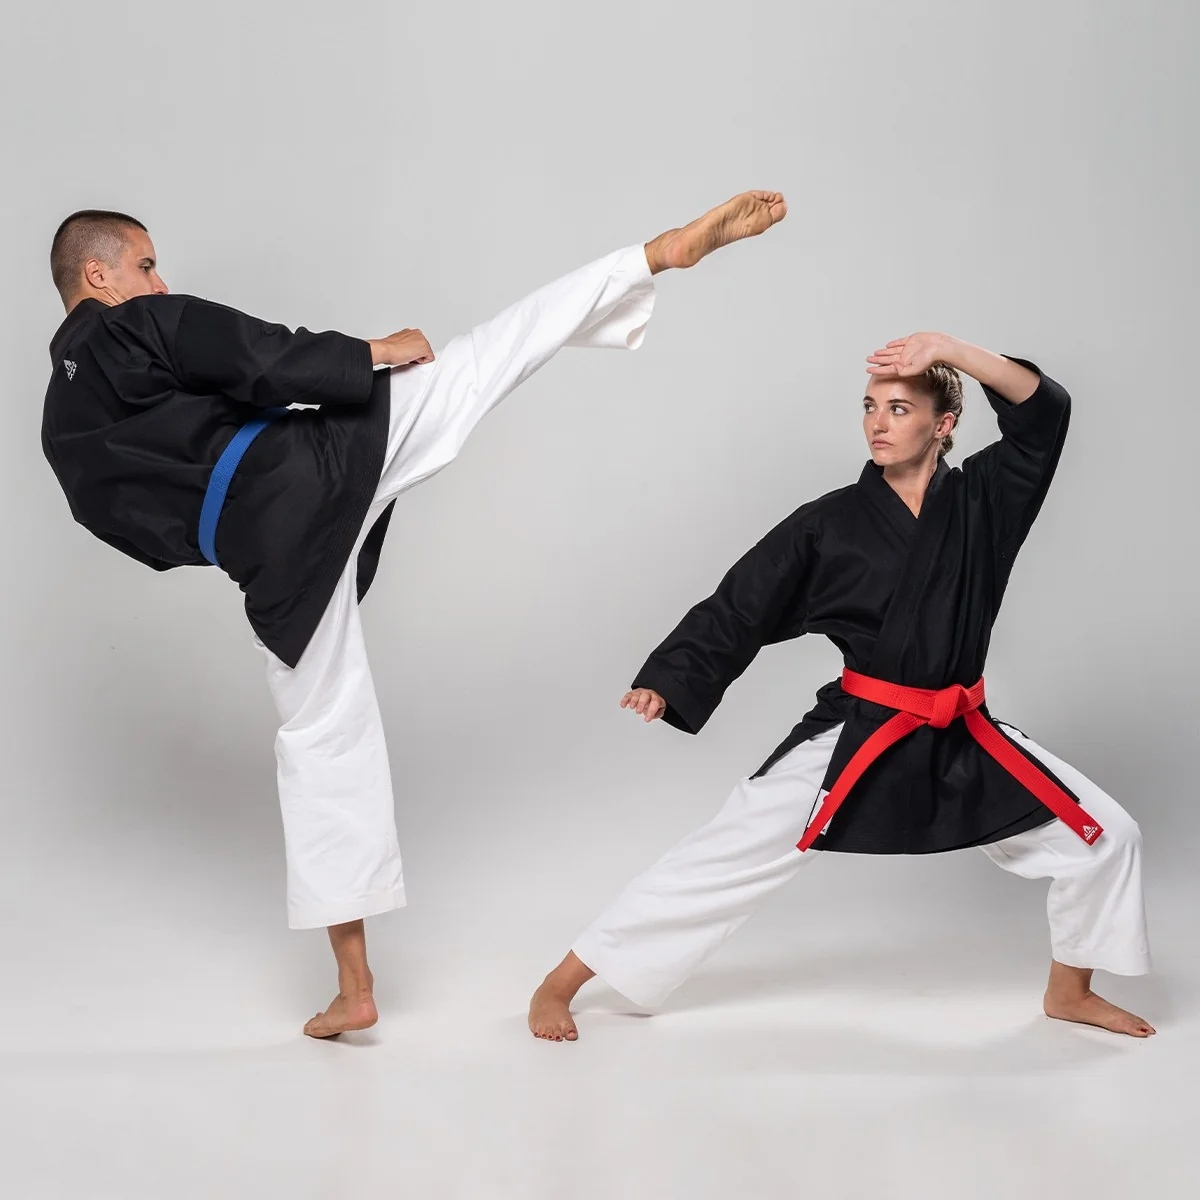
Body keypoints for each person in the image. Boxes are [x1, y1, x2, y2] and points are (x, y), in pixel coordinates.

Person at [41, 190, 788, 1037]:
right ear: (97, 275)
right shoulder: (135, 323)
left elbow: (129, 531)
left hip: (272, 564)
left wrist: (240, 527)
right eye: (145, 266)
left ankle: (353, 985)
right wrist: (367, 357)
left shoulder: (60, 431)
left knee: (321, 744)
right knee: (483, 358)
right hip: (318, 462)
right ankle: (656, 255)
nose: (159, 280)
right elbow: (255, 355)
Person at [529, 335, 1155, 1042]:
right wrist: (670, 679)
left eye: (899, 408)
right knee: (725, 852)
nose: (877, 423)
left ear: (944, 424)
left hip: (959, 731)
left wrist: (949, 349)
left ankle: (1070, 992)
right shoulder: (830, 523)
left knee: (1108, 837)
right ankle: (560, 982)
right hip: (864, 730)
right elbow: (742, 602)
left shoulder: (987, 499)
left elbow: (1045, 411)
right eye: (869, 407)